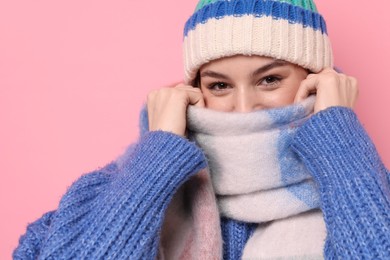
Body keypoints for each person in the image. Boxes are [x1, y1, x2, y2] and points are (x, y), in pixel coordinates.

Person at [14, 0, 389, 259]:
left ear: (317, 81)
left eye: (270, 79)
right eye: (220, 86)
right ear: (192, 91)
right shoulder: (119, 187)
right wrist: (157, 155)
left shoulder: (359, 187)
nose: (245, 108)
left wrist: (339, 138)